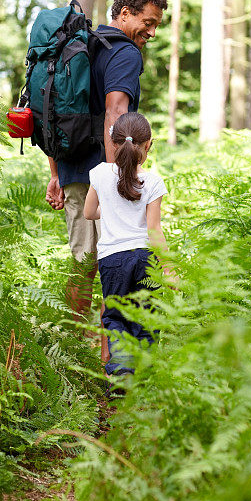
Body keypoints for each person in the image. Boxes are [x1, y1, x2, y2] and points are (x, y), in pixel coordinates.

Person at [45, 0, 168, 357]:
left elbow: (51, 110)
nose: (150, 31)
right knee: (118, 264)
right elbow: (116, 110)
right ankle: (108, 362)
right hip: (105, 174)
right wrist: (120, 177)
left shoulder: (79, 46)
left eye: (156, 25)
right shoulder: (124, 53)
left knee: (84, 265)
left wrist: (55, 173)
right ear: (125, 12)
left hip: (73, 169)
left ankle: (72, 358)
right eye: (147, 22)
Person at [83, 112, 170, 376]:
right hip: (146, 259)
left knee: (117, 317)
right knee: (146, 316)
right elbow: (154, 230)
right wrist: (168, 267)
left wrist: (110, 211)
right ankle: (143, 377)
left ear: (112, 142)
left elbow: (89, 212)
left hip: (112, 261)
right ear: (148, 145)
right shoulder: (153, 181)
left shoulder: (99, 173)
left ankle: (122, 377)